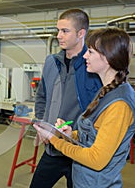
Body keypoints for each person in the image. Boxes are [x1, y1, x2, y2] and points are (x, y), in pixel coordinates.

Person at [33, 27, 135, 187]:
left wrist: (54, 140)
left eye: (91, 52)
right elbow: (95, 134)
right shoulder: (107, 90)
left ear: (107, 58)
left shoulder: (119, 105)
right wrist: (70, 135)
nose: (85, 55)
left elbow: (96, 159)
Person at [29, 9, 102, 188]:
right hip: (53, 148)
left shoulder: (93, 65)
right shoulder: (51, 62)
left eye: (65, 31)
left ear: (81, 33)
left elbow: (100, 110)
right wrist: (41, 125)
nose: (58, 36)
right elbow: (41, 97)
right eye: (58, 30)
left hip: (80, 152)